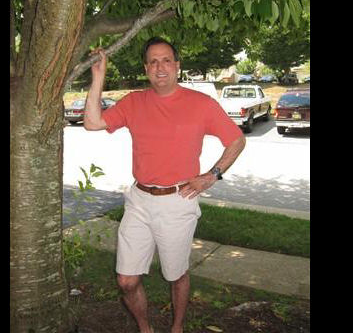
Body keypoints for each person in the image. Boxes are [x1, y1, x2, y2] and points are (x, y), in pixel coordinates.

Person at [83, 37, 246, 333]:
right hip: (139, 199)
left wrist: (212, 175)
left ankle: (177, 328)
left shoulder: (201, 104)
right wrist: (98, 76)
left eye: (166, 60)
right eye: (154, 62)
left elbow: (236, 139)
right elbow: (92, 123)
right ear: (146, 68)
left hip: (178, 201)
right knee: (126, 281)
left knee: (176, 275)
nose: (160, 67)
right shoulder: (134, 102)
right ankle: (145, 329)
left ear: (177, 66)